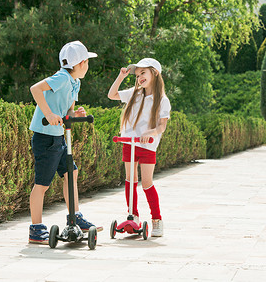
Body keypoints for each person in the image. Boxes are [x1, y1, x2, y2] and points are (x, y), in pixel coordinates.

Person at [28, 41, 102, 244]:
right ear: (82, 62)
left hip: (58, 135)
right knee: (42, 184)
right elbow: (35, 89)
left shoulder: (75, 82)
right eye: (88, 62)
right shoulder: (62, 77)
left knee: (72, 173)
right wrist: (49, 113)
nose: (88, 66)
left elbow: (68, 111)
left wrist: (75, 114)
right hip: (45, 136)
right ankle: (36, 229)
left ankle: (74, 216)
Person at [108, 58, 171, 237]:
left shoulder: (162, 100)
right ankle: (133, 216)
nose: (139, 77)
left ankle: (156, 220)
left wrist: (150, 133)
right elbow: (111, 95)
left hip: (147, 146)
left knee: (146, 182)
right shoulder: (134, 94)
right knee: (130, 180)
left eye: (143, 73)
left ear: (155, 73)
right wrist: (121, 77)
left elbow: (161, 127)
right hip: (129, 142)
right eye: (137, 75)